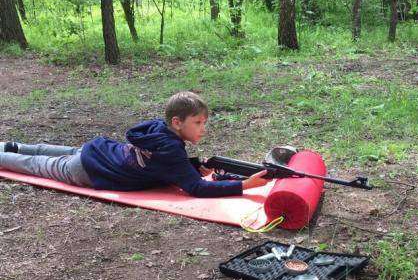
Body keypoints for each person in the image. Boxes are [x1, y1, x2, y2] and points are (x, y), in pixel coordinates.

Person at [0, 91, 270, 197]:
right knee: (36, 164)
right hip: (90, 170)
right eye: (198, 123)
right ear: (177, 122)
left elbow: (162, 163)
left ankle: (10, 145)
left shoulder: (157, 128)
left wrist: (191, 164)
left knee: (50, 151)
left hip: (98, 152)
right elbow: (196, 188)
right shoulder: (171, 149)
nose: (203, 128)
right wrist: (244, 185)